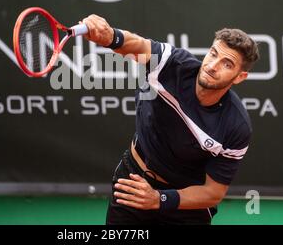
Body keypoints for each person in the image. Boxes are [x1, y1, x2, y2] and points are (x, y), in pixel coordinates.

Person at [82, 14, 260, 225]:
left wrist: (159, 199)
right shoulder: (173, 64)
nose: (213, 66)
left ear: (240, 77)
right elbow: (139, 45)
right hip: (134, 181)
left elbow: (213, 193)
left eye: (227, 64)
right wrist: (110, 36)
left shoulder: (236, 126)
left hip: (184, 205)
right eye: (213, 54)